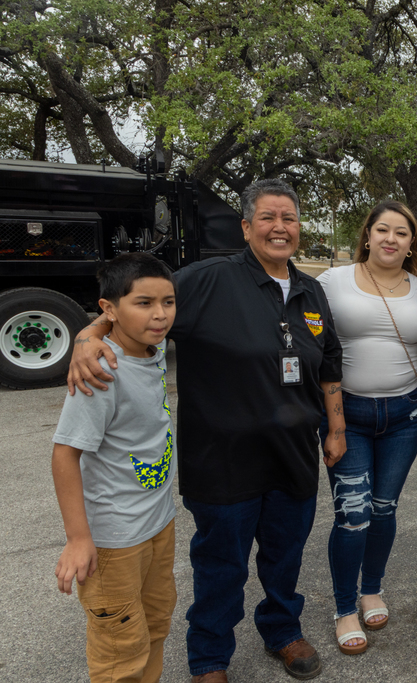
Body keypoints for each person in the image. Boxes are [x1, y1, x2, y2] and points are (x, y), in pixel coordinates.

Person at [68, 179, 345, 683]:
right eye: (267, 217)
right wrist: (89, 336)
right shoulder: (206, 280)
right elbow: (139, 308)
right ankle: (209, 656)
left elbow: (328, 363)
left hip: (293, 454)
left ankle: (282, 630)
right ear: (246, 226)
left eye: (289, 218)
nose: (279, 227)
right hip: (222, 460)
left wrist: (336, 429)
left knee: (284, 558)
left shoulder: (311, 290)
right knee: (222, 566)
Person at [52, 253, 178, 683]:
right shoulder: (101, 371)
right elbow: (65, 453)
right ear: (109, 308)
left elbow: (125, 316)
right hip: (113, 543)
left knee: (157, 624)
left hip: (158, 524)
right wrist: (78, 538)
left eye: (168, 302)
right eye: (144, 303)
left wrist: (90, 331)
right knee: (120, 653)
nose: (160, 315)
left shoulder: (151, 347)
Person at [314, 201, 417, 655]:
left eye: (402, 233)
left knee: (383, 508)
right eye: (383, 229)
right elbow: (314, 344)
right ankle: (344, 608)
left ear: (410, 243)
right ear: (367, 235)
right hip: (347, 416)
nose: (391, 238)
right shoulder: (331, 282)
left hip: (405, 415)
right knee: (353, 513)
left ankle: (371, 589)